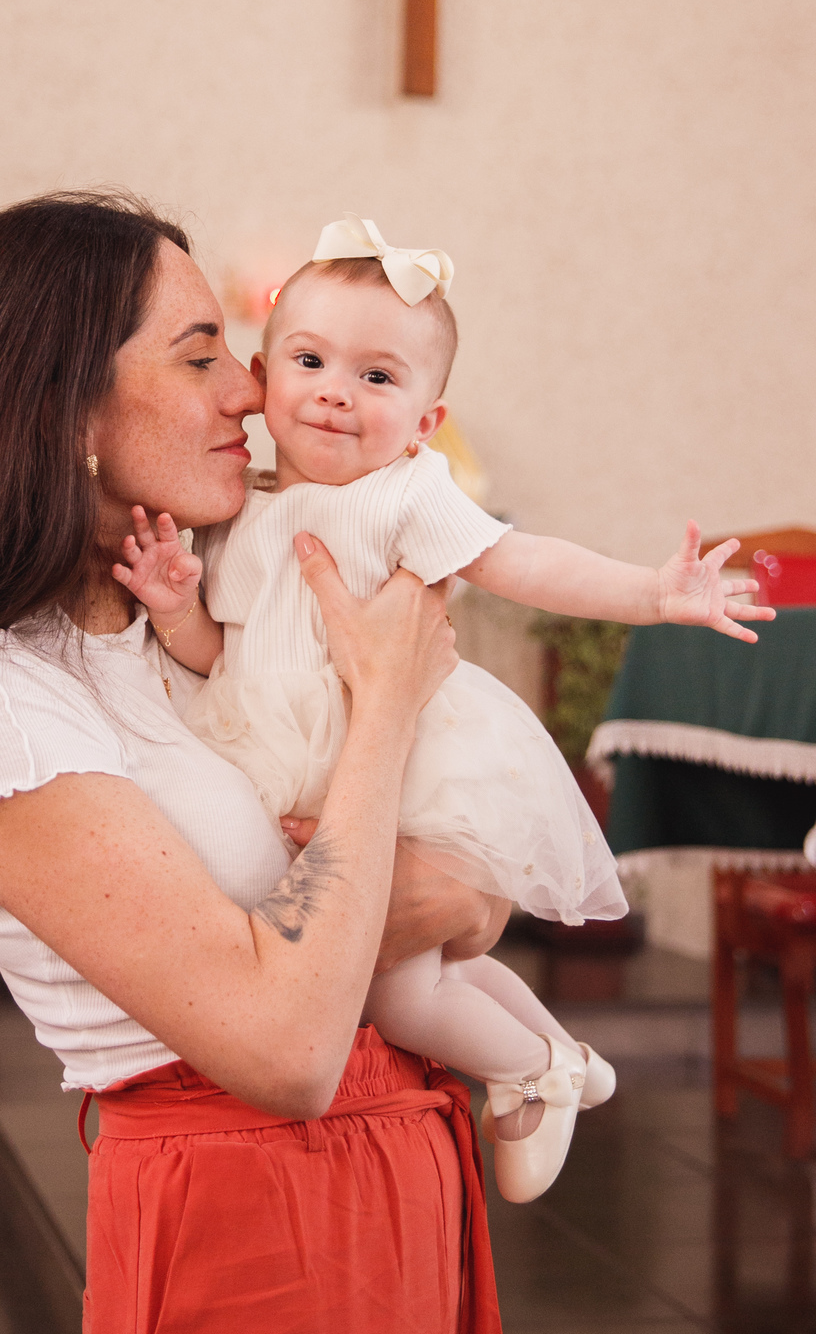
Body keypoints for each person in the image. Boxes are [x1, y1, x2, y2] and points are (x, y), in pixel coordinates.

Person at [0, 192, 511, 1334]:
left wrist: (455, 897)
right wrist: (387, 706)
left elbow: (458, 897)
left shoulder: (189, 627)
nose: (252, 389)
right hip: (257, 1223)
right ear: (64, 410)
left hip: (394, 1172)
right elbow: (287, 1049)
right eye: (202, 358)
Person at [115, 212, 774, 1204]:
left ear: (426, 420)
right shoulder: (235, 512)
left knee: (400, 987)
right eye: (311, 360)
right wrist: (174, 609)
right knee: (402, 972)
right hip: (281, 758)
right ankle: (557, 1049)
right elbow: (223, 657)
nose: (338, 390)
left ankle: (533, 1071)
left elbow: (525, 562)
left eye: (379, 377)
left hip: (399, 768)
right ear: (262, 378)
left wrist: (654, 592)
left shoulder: (403, 498)